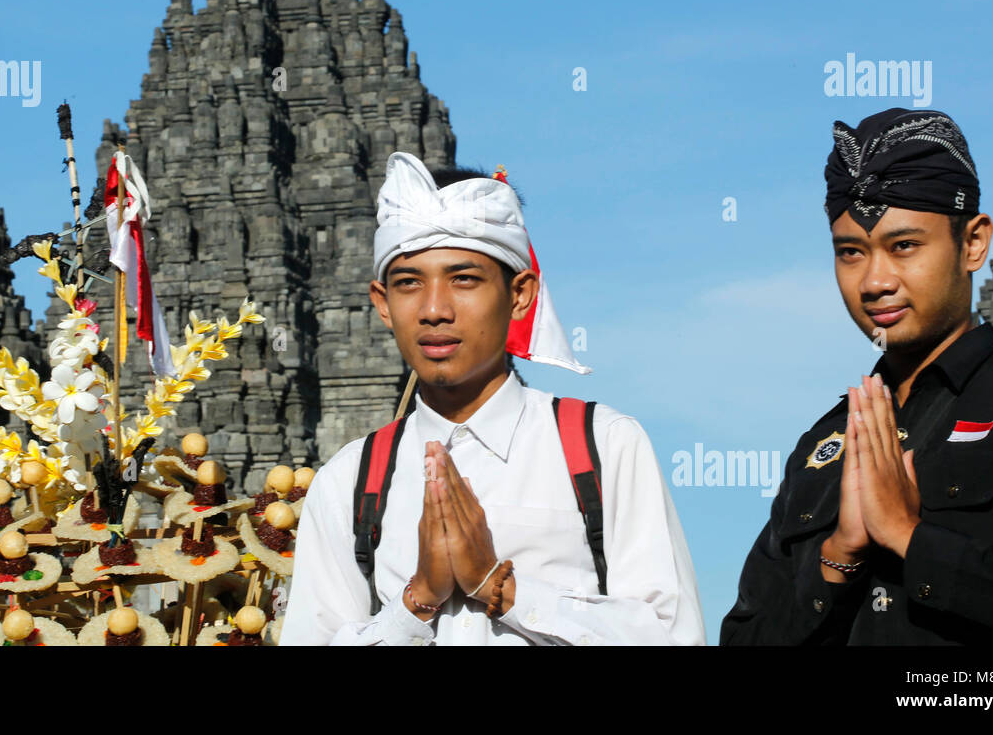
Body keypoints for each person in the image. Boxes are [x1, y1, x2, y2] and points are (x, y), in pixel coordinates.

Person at [279, 151, 705, 645]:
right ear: (382, 304)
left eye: (464, 280)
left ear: (520, 294)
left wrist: (500, 588)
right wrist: (417, 600)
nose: (434, 310)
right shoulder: (350, 483)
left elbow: (673, 636)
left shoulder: (601, 449)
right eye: (409, 284)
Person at [721, 107, 993, 645]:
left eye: (904, 246)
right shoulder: (824, 447)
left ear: (974, 244)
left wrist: (911, 540)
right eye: (851, 253)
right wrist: (837, 557)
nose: (874, 281)